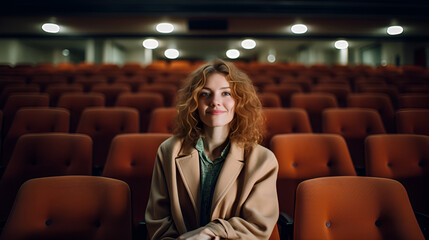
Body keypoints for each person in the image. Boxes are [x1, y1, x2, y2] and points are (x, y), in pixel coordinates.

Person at [145, 59, 279, 240]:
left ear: (239, 101)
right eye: (205, 94)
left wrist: (207, 233)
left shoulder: (263, 160)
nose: (215, 102)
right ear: (194, 102)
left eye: (226, 93)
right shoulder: (168, 151)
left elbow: (256, 226)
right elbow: (158, 220)